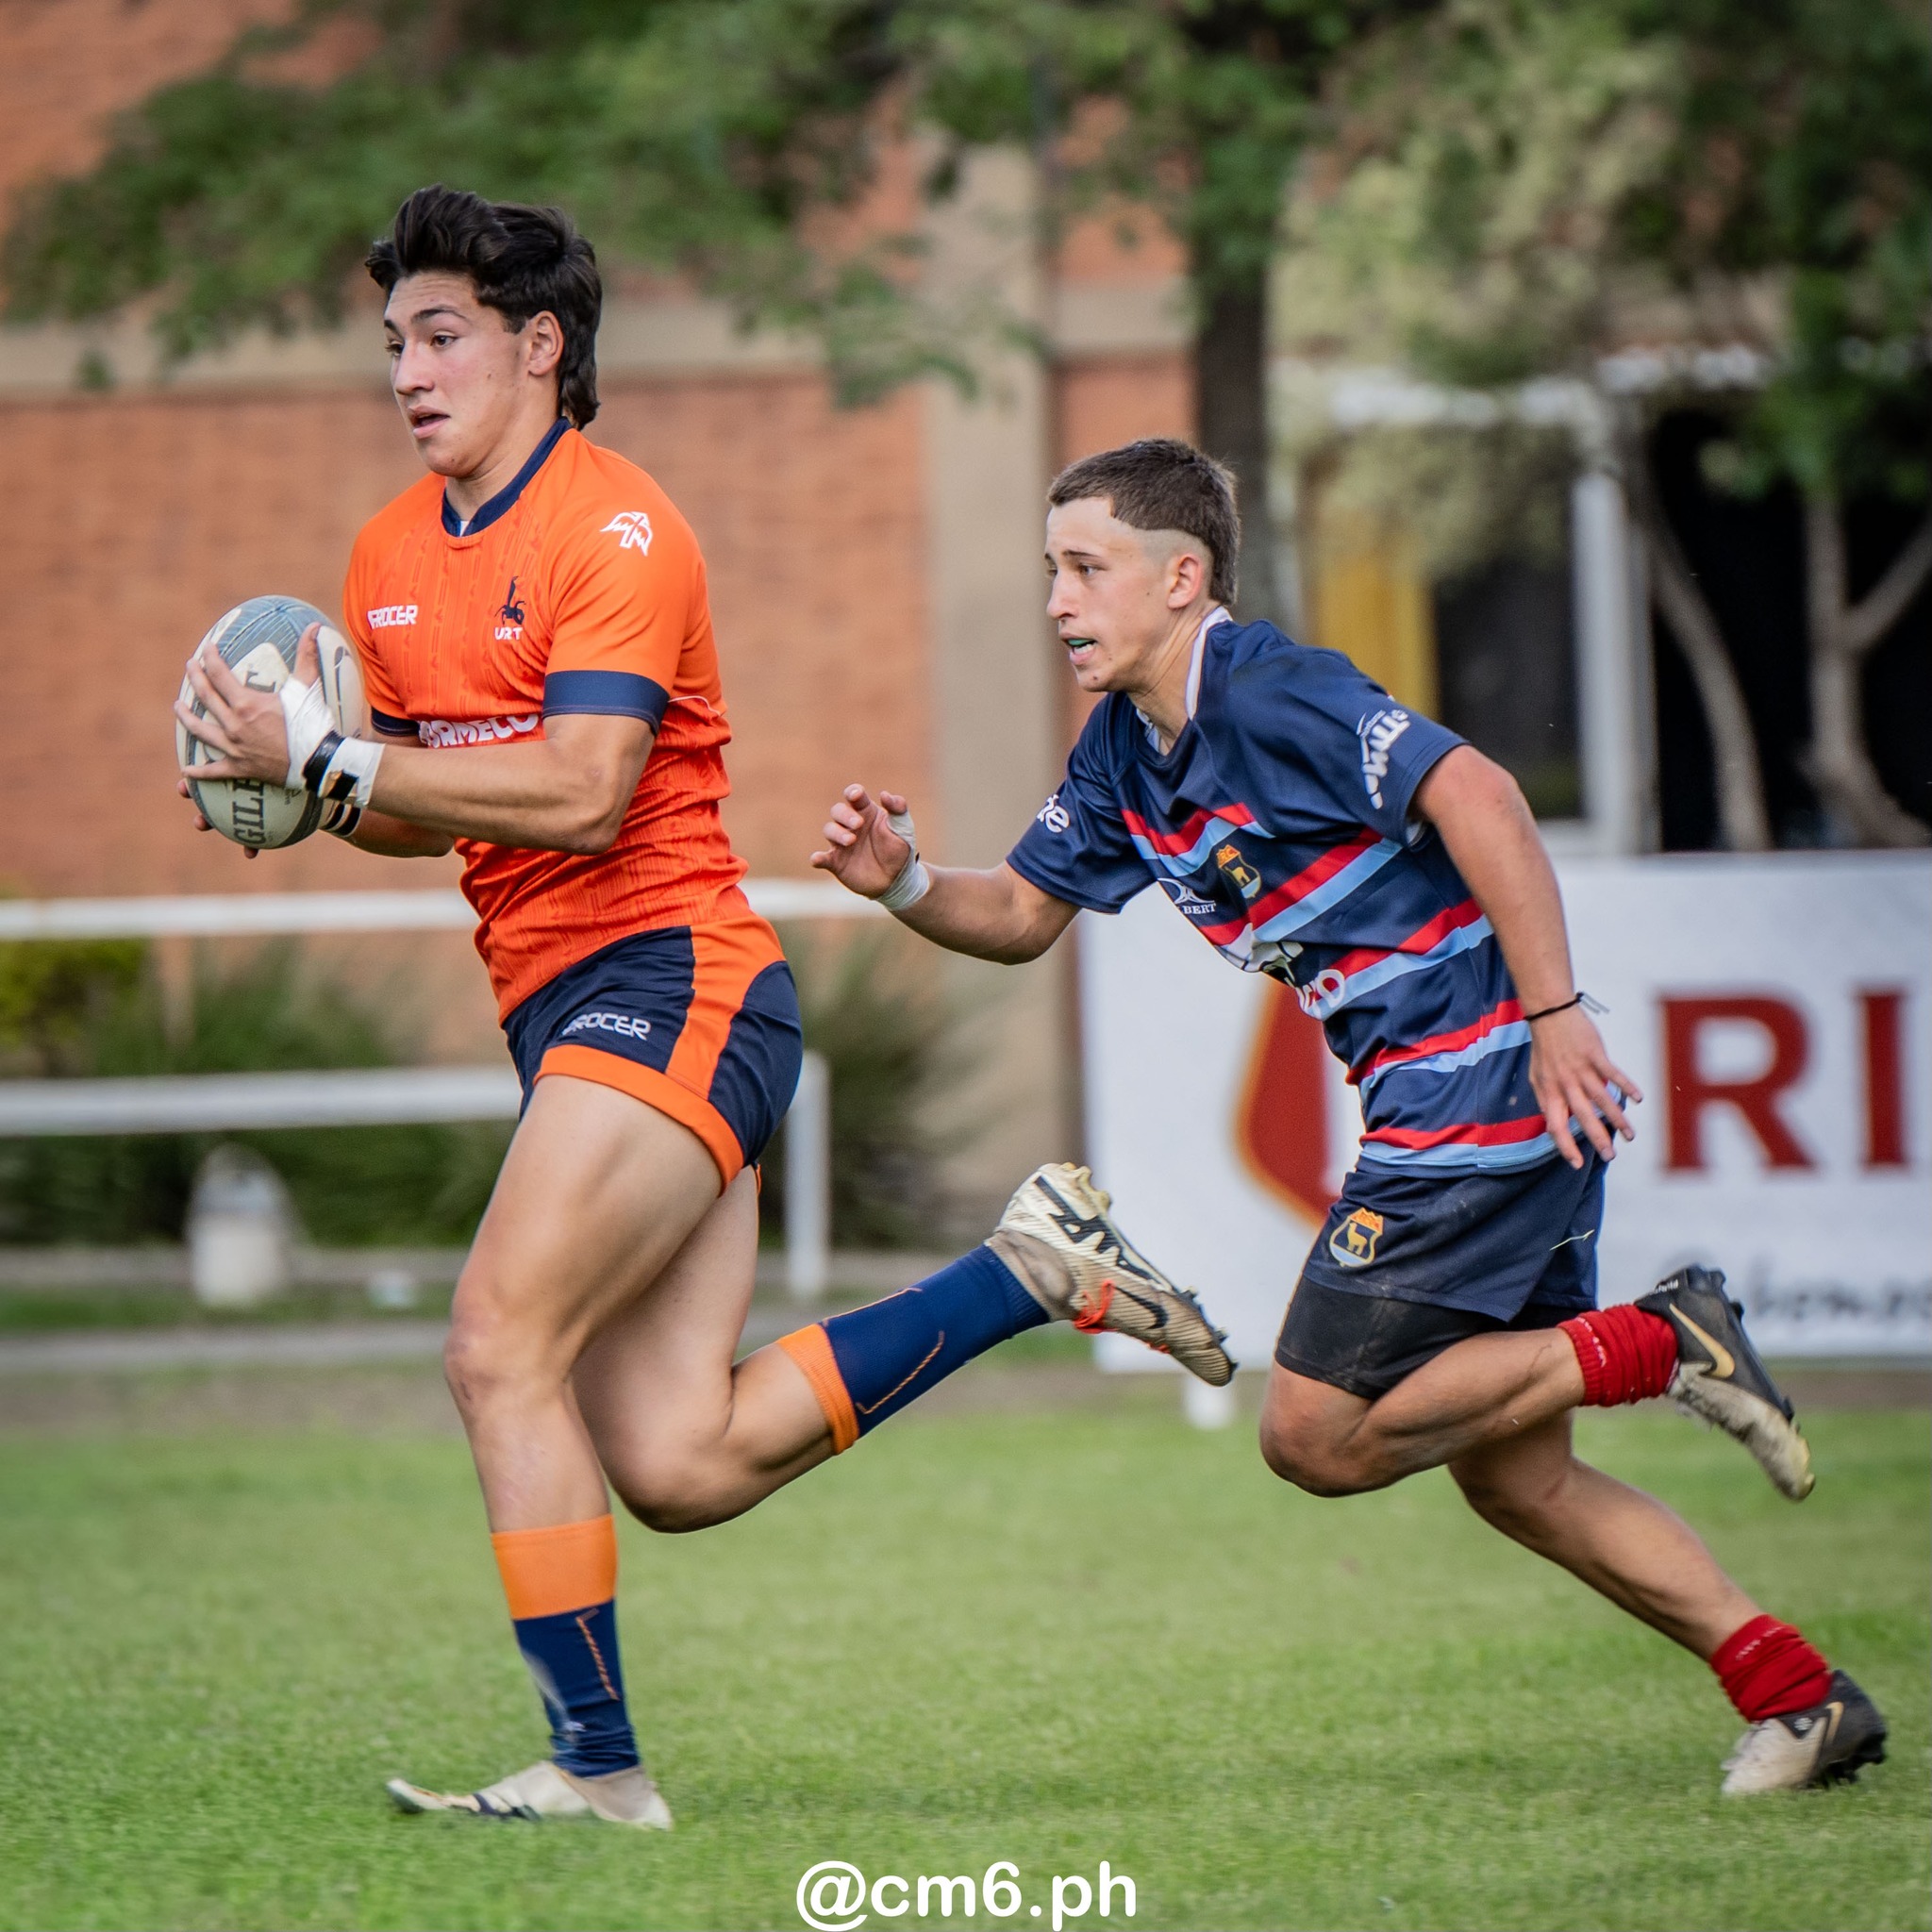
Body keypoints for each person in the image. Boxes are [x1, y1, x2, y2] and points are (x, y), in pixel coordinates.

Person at [173, 192, 1231, 1830]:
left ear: (542, 345)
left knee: (493, 1347)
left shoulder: (620, 530)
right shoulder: (387, 557)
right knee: (677, 1460)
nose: (407, 369)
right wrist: (290, 783)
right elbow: (417, 807)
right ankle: (1035, 1270)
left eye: (442, 334)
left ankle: (596, 1772)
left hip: (673, 979)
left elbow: (589, 793)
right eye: (393, 340)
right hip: (571, 1012)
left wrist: (329, 761)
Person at [811, 436, 1888, 1797]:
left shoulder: (1277, 693)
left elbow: (1482, 793)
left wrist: (1557, 1017)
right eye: (1050, 572)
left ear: (1182, 576)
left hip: (1479, 1092)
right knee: (1517, 1479)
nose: (1059, 604)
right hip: (1473, 1105)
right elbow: (1023, 915)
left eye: (1085, 570)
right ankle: (1801, 1700)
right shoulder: (1121, 759)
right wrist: (904, 881)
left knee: (1314, 1433)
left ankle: (1655, 1343)